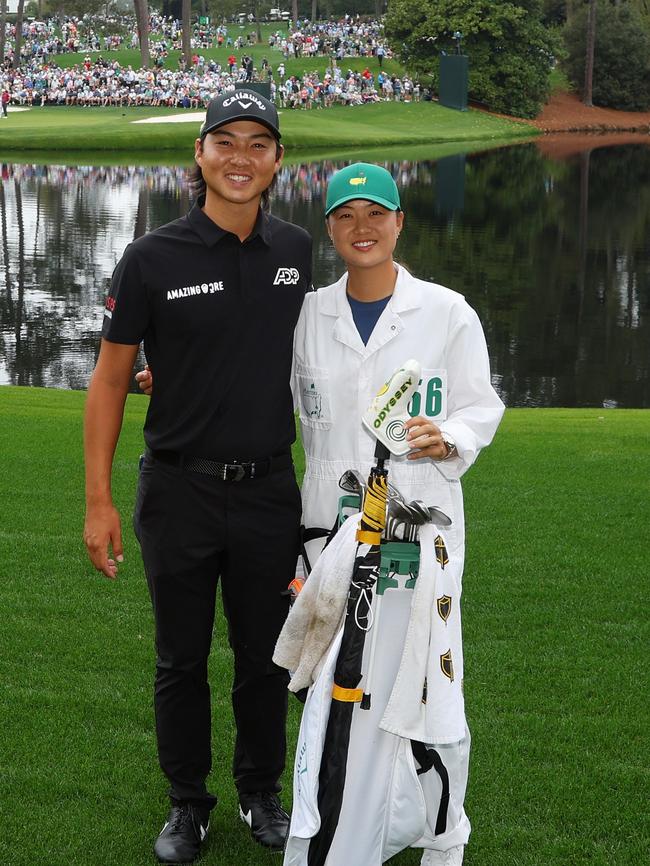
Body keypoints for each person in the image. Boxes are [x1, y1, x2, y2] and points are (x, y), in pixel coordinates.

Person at [83, 90, 312, 864]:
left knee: (263, 656)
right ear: (199, 154)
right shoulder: (151, 258)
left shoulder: (297, 250)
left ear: (279, 159)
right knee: (180, 657)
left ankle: (260, 790)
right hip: (178, 490)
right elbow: (111, 379)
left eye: (258, 143)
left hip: (268, 491)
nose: (240, 157)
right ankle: (188, 802)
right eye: (225, 142)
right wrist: (98, 501)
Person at [284, 163, 505, 866]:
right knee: (336, 684)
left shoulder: (446, 311)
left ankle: (442, 832)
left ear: (400, 221)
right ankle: (344, 824)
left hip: (420, 520)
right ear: (329, 229)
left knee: (425, 680)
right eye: (345, 216)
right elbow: (262, 388)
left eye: (375, 214)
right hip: (332, 526)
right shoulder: (308, 315)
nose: (362, 229)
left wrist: (456, 437)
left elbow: (479, 403)